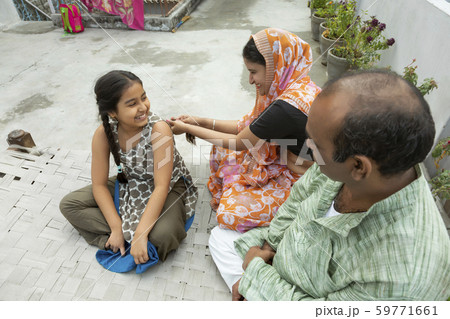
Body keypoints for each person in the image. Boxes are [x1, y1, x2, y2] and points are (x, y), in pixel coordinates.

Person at [213, 70, 450, 300]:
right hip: (283, 255)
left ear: (358, 167)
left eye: (315, 143)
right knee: (220, 239)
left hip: (298, 293)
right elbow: (299, 197)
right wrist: (269, 246)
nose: (307, 145)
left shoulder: (403, 277)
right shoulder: (346, 161)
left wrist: (256, 275)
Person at [168, 28, 321, 233]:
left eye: (253, 72)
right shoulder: (297, 85)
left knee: (228, 214)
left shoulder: (286, 106)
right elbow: (246, 126)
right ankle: (236, 188)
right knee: (220, 151)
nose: (250, 80)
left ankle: (265, 204)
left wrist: (188, 129)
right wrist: (200, 121)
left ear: (274, 67)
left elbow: (241, 141)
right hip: (286, 158)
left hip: (303, 180)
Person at [60, 70, 198, 266]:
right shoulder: (103, 133)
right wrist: (116, 227)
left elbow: (161, 186)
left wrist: (141, 234)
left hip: (169, 188)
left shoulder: (159, 130)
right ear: (112, 112)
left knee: (163, 237)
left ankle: (133, 240)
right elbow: (98, 185)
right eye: (132, 104)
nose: (143, 107)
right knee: (70, 204)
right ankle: (121, 239)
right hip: (129, 182)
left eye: (144, 98)